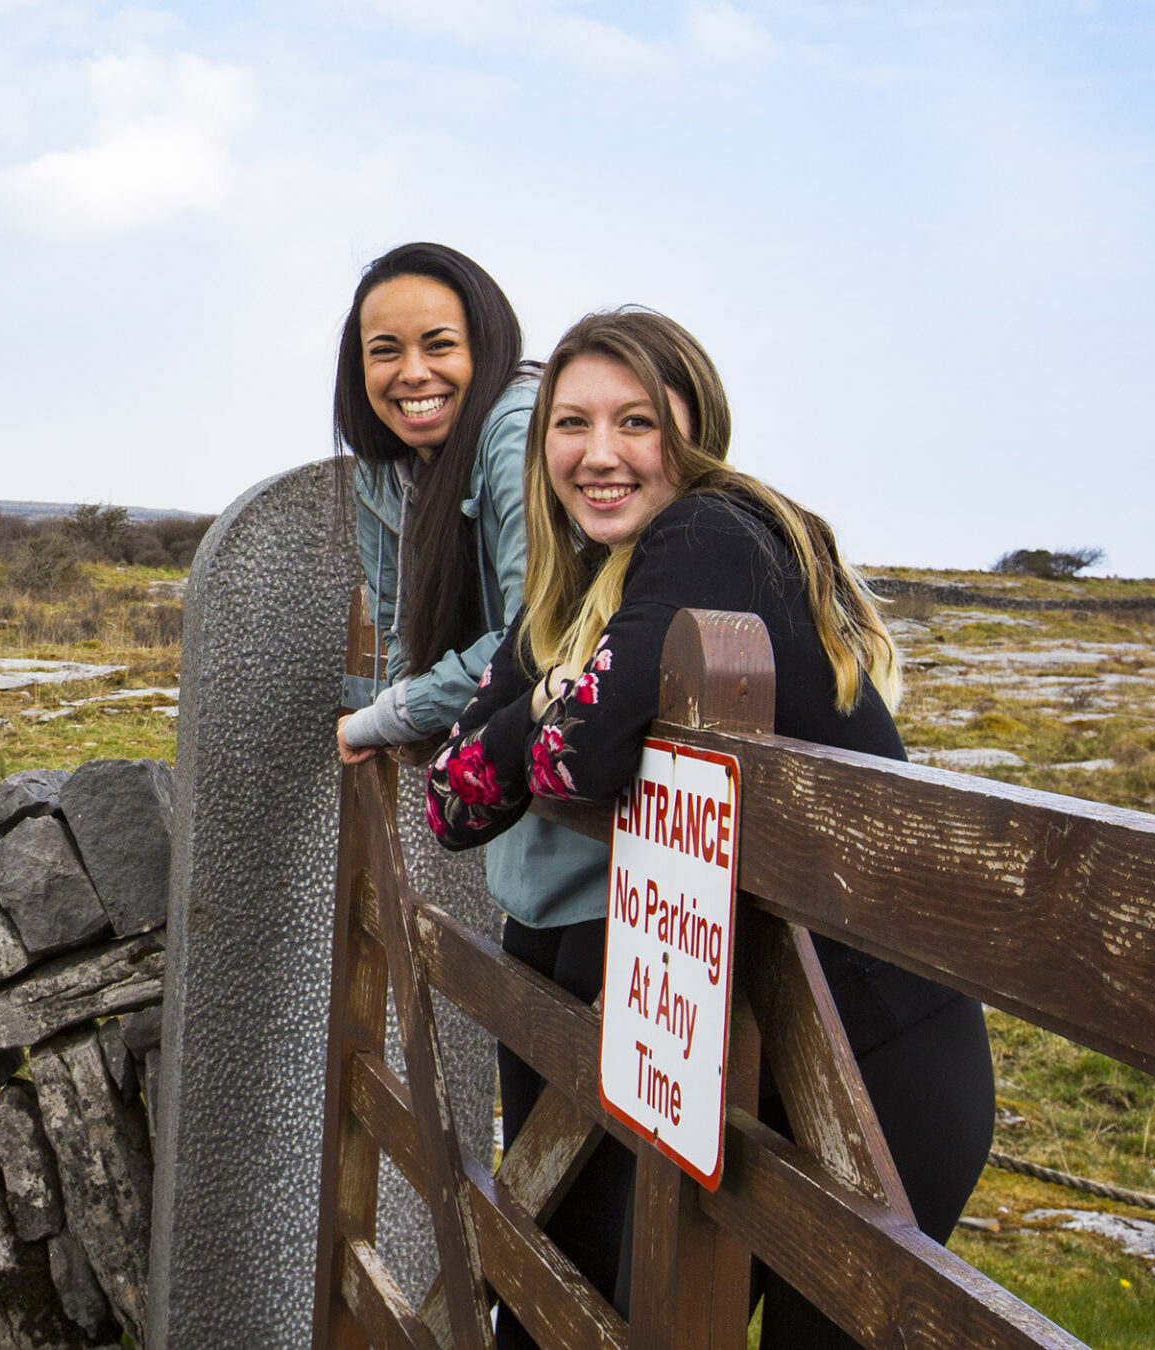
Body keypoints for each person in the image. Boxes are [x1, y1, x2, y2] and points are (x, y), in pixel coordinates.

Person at [424, 308, 994, 1348]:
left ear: (694, 435)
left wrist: (549, 704)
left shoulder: (712, 532)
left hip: (871, 1059)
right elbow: (451, 800)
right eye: (572, 423)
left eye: (636, 422)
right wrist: (562, 683)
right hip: (747, 1053)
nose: (599, 454)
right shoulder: (579, 588)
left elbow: (567, 757)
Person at [332, 242, 617, 1348]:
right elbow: (413, 643)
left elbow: (529, 637)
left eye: (439, 343)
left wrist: (376, 722)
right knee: (540, 1185)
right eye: (384, 350)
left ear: (485, 342)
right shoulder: (390, 470)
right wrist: (391, 703)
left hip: (613, 863)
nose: (413, 372)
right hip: (536, 870)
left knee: (593, 1200)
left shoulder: (514, 428)